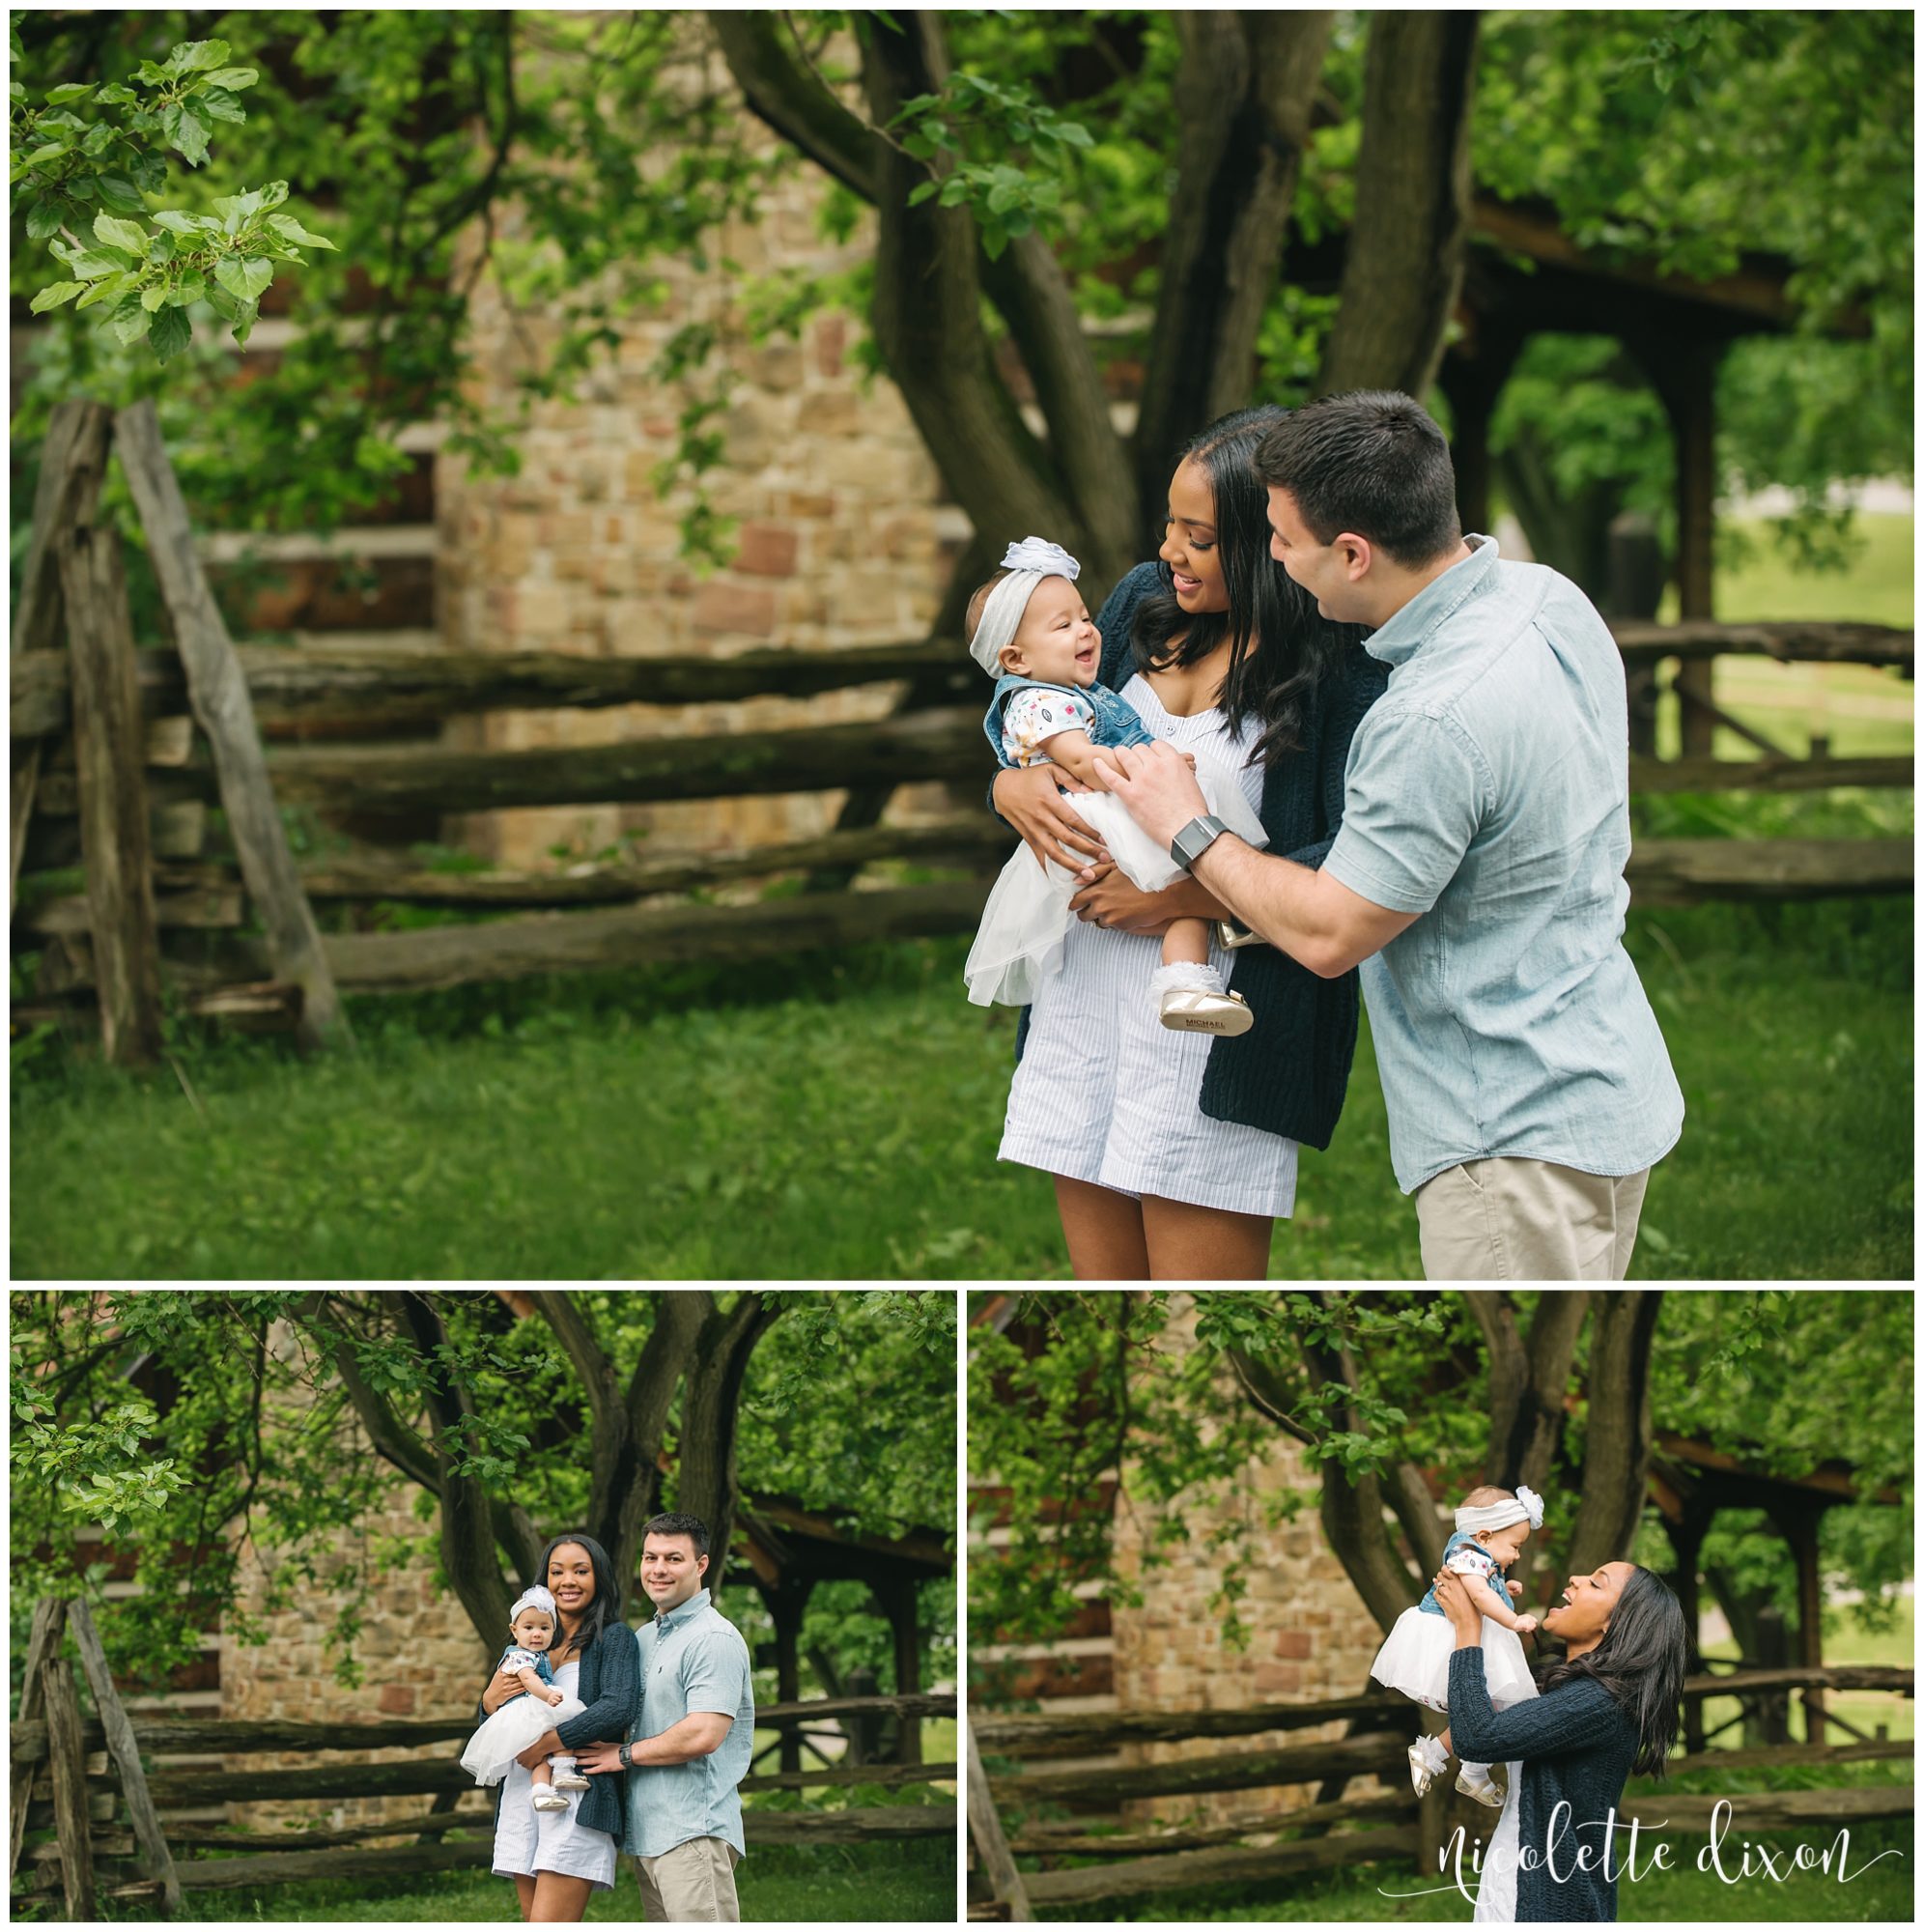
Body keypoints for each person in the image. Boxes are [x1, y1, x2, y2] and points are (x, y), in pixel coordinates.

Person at [1091, 390, 1684, 1280]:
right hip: (1606, 1075)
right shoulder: (1544, 599)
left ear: (1354, 554)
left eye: (1283, 541)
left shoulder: (1428, 721)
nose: (1276, 558)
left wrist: (1187, 825)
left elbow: (1331, 931)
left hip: (1508, 1133)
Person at [989, 405, 1387, 1279]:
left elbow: (1362, 865)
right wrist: (1011, 779)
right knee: (1107, 1315)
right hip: (1082, 1005)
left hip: (1215, 1021)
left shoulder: (1338, 665)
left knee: (1203, 1318)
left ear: (1263, 543)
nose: (1169, 549)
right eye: (1171, 522)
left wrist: (1182, 899)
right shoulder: (1143, 604)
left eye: (1198, 537)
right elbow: (1039, 695)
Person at [964, 533, 1270, 1033]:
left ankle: (1186, 985)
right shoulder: (1041, 700)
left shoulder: (1071, 683)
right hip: (1107, 816)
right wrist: (1155, 769)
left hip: (1125, 814)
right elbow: (1082, 762)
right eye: (1064, 625)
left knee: (1183, 893)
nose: (1086, 631)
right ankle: (1184, 979)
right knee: (1183, 876)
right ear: (1016, 660)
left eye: (1084, 618)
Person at [1435, 1557, 1685, 1921]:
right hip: (1512, 1890)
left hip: (1549, 1907)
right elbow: (1481, 1713)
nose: (1575, 1578)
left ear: (1614, 1623)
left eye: (1596, 1583)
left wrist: (1468, 1629)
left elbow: (1477, 1737)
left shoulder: (1601, 1704)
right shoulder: (1563, 1691)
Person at [577, 1513, 754, 1923]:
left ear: (701, 1565)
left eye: (673, 1559)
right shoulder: (645, 1637)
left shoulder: (712, 1639)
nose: (658, 1570)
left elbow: (703, 1734)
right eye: (650, 1557)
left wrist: (622, 1755)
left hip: (693, 1830)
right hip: (651, 1832)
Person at [480, 1534, 637, 1922]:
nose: (568, 1580)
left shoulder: (613, 1637)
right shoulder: (530, 1639)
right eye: (557, 1571)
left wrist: (549, 1742)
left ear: (598, 1577)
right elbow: (500, 1718)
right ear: (544, 1580)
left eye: (580, 1571)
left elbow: (619, 1707)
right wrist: (487, 1702)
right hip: (523, 1795)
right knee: (533, 1919)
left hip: (576, 1794)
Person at [1369, 1486, 1543, 1807]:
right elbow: (1477, 1595)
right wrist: (1512, 1619)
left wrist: (1504, 1589)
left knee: (1491, 1709)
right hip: (1452, 1637)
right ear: (1486, 1536)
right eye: (1515, 1547)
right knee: (1489, 1706)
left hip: (1473, 1636)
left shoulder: (1478, 1556)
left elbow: (1485, 1587)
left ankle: (1449, 1761)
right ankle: (1461, 1767)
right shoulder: (1466, 1554)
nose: (1517, 1555)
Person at [461, 1586, 590, 1808]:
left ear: (553, 1630)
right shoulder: (519, 1656)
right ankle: (556, 1775)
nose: (537, 1633)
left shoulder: (536, 1654)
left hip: (533, 1705)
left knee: (547, 1747)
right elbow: (529, 1680)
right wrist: (548, 1695)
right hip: (528, 1708)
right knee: (560, 1726)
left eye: (544, 1627)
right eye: (528, 1627)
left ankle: (546, 1788)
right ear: (514, 1630)